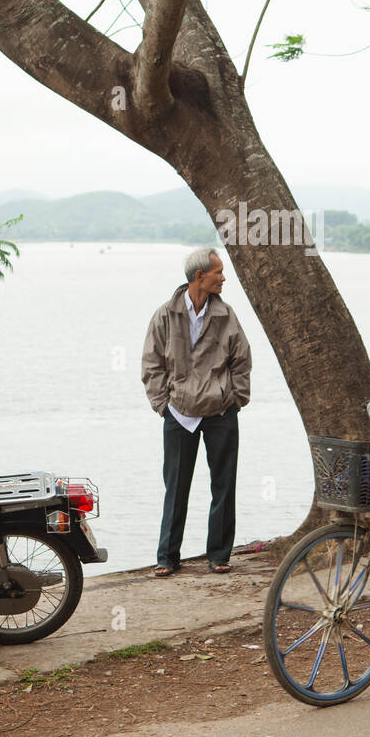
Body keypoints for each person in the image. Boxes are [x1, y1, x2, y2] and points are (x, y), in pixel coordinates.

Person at [141, 247, 252, 577]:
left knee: (223, 485)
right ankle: (167, 557)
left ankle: (219, 555)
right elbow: (152, 363)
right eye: (218, 272)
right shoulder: (165, 314)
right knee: (175, 487)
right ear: (199, 277)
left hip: (220, 412)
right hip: (179, 413)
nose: (224, 277)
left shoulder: (226, 314)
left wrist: (236, 399)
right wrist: (163, 406)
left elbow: (242, 360)